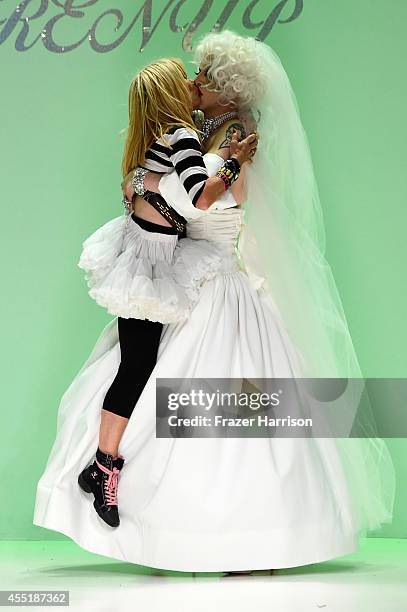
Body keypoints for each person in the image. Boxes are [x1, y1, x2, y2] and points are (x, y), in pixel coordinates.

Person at [33, 31, 395, 575]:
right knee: (149, 379)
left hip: (216, 277)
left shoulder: (232, 130)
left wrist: (165, 192)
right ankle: (132, 494)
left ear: (226, 90)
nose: (193, 81)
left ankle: (238, 538)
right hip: (190, 276)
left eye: (203, 76)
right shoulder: (199, 131)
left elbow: (219, 200)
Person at [49, 56, 258, 530]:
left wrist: (146, 181)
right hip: (150, 262)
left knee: (137, 361)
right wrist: (233, 163)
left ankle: (101, 463)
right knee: (137, 365)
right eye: (184, 79)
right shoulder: (181, 136)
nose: (193, 82)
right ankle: (104, 466)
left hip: (144, 252)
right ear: (168, 94)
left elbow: (145, 186)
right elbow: (202, 196)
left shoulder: (161, 134)